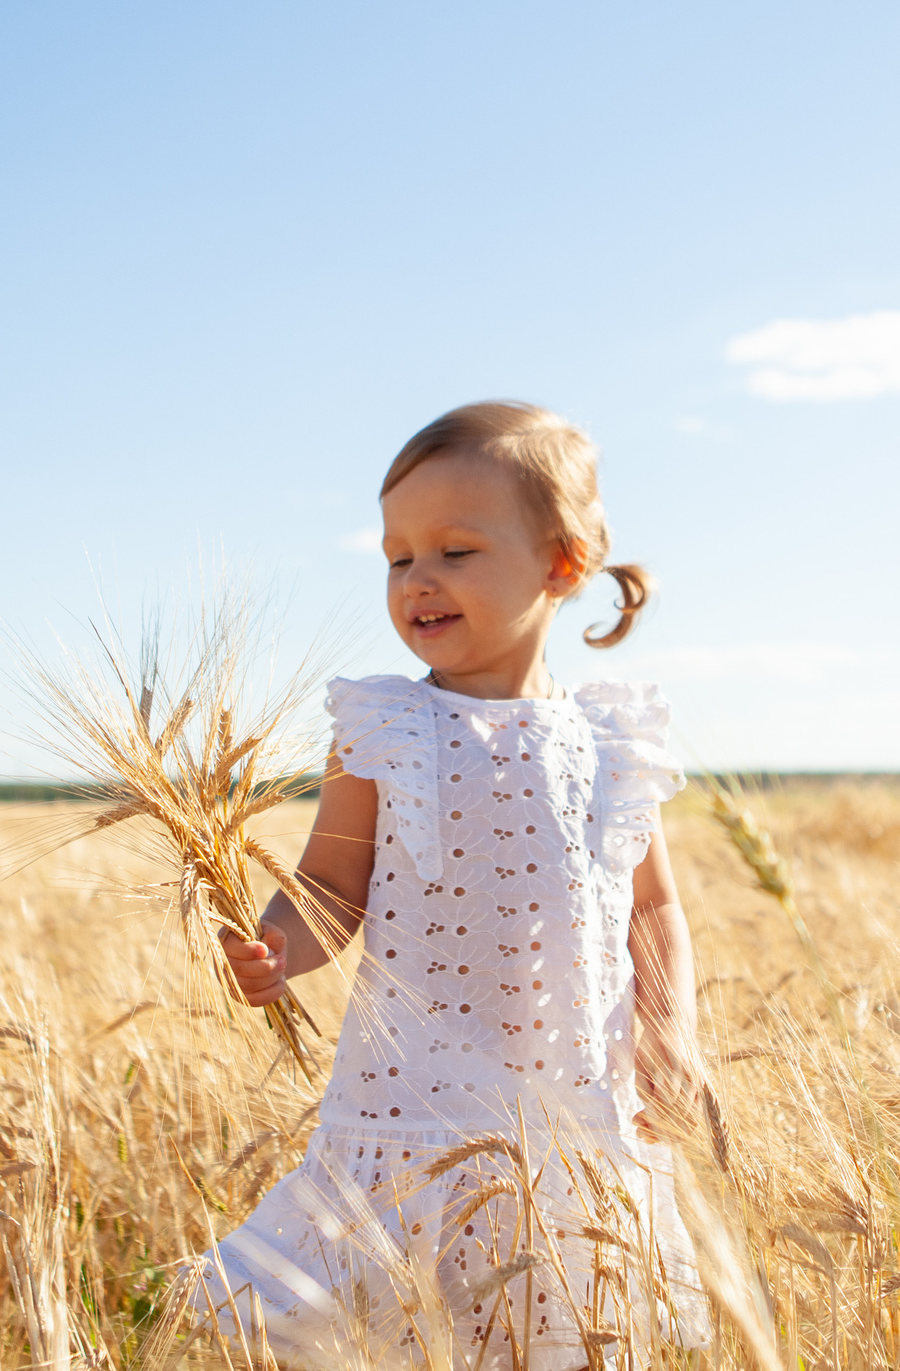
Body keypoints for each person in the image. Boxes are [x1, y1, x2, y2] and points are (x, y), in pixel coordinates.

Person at [188, 401, 709, 1369]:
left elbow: (651, 906)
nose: (416, 581)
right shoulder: (385, 727)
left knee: (555, 1330)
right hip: (414, 1103)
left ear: (563, 563)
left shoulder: (610, 738)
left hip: (573, 1102)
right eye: (397, 558)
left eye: (454, 552)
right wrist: (276, 947)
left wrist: (670, 1031)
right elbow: (328, 884)